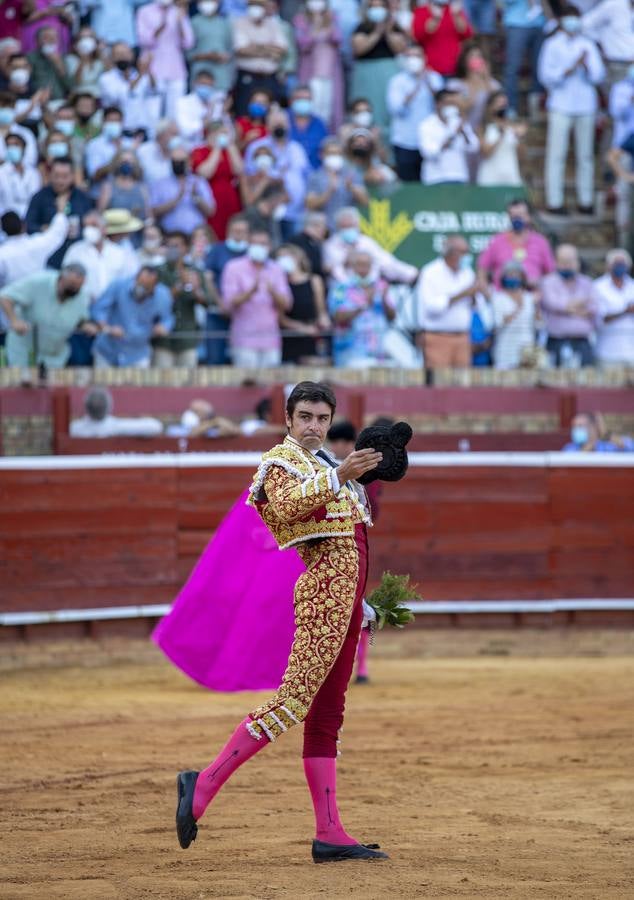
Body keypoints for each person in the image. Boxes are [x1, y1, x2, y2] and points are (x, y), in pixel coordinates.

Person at [174, 380, 388, 864]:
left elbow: (346, 543)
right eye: (306, 417)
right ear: (289, 419)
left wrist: (361, 603)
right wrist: (340, 477)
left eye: (322, 419)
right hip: (319, 602)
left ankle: (330, 833)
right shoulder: (279, 465)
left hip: (343, 603)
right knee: (291, 704)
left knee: (328, 716)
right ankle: (201, 784)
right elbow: (291, 508)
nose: (314, 427)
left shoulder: (329, 467)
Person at [538, 6, 605, 216]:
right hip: (560, 103)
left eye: (576, 18)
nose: (573, 22)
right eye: (569, 18)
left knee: (585, 154)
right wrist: (568, 69)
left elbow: (599, 76)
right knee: (556, 153)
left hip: (585, 104)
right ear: (561, 20)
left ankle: (585, 200)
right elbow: (545, 76)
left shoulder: (588, 44)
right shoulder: (552, 44)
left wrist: (585, 66)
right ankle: (554, 201)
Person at [0, 263, 95, 368]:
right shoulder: (39, 282)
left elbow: (80, 321)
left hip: (54, 357)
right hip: (24, 352)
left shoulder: (81, 295)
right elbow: (5, 297)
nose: (74, 289)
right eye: (72, 284)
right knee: (19, 383)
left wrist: (86, 327)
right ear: (62, 277)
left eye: (78, 286)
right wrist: (14, 320)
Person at [220, 227, 292, 366]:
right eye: (255, 243)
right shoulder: (233, 267)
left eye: (263, 243)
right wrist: (250, 293)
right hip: (244, 338)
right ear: (248, 244)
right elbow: (228, 303)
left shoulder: (276, 268)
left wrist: (273, 293)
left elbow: (287, 304)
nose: (259, 247)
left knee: (270, 385)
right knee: (247, 383)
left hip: (271, 339)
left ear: (270, 246)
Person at [244, 107, 311, 239]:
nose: (279, 127)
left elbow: (306, 176)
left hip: (295, 213)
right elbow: (249, 177)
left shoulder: (296, 148)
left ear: (289, 125)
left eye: (282, 124)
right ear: (268, 126)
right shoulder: (257, 148)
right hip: (266, 213)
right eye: (275, 124)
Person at [91, 266, 174, 368]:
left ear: (154, 286)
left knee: (136, 384)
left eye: (146, 286)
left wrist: (163, 326)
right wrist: (108, 328)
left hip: (138, 353)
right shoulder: (119, 285)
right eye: (139, 283)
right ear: (135, 278)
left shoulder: (163, 295)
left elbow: (167, 319)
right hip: (108, 350)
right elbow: (99, 309)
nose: (141, 288)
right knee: (102, 383)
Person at [416, 234, 479, 368]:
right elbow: (431, 307)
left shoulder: (467, 272)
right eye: (463, 252)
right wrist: (462, 295)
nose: (467, 256)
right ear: (450, 253)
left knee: (463, 385)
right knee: (439, 384)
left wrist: (475, 296)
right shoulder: (431, 272)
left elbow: (475, 306)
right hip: (437, 338)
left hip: (463, 338)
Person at [350, 0, 407, 145]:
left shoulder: (395, 28)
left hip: (388, 74)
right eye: (373, 7)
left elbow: (400, 48)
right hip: (366, 76)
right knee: (366, 110)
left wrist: (387, 30)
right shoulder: (362, 28)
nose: (377, 10)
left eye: (380, 7)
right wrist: (377, 32)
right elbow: (359, 48)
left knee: (387, 113)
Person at [328, 248, 397, 366]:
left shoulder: (381, 286)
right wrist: (364, 305)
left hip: (379, 351)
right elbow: (337, 316)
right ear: (352, 266)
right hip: (350, 351)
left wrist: (384, 299)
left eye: (367, 265)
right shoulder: (340, 288)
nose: (364, 269)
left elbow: (392, 317)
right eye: (360, 265)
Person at [386, 44, 443, 182]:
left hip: (430, 142)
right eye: (410, 56)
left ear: (424, 58)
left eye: (417, 56)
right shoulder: (397, 81)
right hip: (405, 141)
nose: (413, 60)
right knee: (408, 183)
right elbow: (395, 109)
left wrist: (427, 83)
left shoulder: (434, 78)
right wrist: (416, 86)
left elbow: (442, 106)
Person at [25, 156, 93, 269]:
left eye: (65, 176)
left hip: (77, 255)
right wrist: (45, 229)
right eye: (57, 176)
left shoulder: (82, 198)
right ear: (50, 175)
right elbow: (28, 225)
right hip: (48, 257)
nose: (60, 181)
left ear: (72, 176)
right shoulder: (39, 197)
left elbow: (91, 223)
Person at [152, 231, 209, 368]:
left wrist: (196, 290)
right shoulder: (157, 271)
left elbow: (207, 302)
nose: (173, 249)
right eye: (170, 246)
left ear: (186, 248)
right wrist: (180, 286)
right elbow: (157, 302)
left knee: (189, 385)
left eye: (177, 245)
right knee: (162, 384)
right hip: (163, 339)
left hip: (187, 338)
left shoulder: (195, 270)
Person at [324, 206, 418, 284]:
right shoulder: (331, 245)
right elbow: (335, 270)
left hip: (370, 286)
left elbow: (386, 262)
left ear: (357, 226)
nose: (348, 230)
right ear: (338, 227)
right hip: (342, 290)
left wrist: (412, 274)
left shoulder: (366, 242)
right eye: (345, 227)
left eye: (351, 226)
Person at [540, 243, 599, 366]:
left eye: (570, 261)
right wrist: (582, 303)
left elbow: (594, 308)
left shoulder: (587, 282)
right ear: (556, 262)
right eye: (563, 261)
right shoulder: (548, 282)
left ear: (578, 262)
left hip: (582, 343)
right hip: (556, 342)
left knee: (586, 383)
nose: (567, 265)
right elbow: (553, 304)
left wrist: (566, 309)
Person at [477, 198, 555, 289]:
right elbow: (482, 269)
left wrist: (539, 287)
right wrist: (489, 296)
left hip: (533, 297)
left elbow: (551, 274)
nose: (516, 220)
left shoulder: (541, 242)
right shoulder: (497, 241)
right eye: (513, 216)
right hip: (502, 298)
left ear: (529, 217)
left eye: (520, 216)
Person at [136, 0, 194, 119]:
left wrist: (180, 24)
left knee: (175, 111)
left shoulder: (178, 12)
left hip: (176, 68)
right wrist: (161, 25)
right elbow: (143, 40)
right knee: (152, 109)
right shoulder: (144, 11)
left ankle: (172, 137)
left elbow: (189, 43)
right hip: (153, 67)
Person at [293, 1, 345, 132]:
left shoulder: (333, 18)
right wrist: (315, 27)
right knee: (313, 106)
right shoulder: (301, 20)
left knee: (329, 109)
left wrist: (327, 22)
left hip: (330, 74)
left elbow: (338, 39)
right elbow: (303, 45)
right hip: (311, 73)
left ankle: (327, 137)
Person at [62, 210, 135, 303]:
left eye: (94, 225)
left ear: (104, 229)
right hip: (83, 305)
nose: (88, 230)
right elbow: (66, 278)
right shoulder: (75, 251)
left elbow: (129, 280)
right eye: (86, 226)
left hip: (113, 307)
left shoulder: (119, 253)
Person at [231, 0, 289, 115]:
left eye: (259, 5)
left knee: (272, 111)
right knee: (244, 111)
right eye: (253, 5)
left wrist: (254, 46)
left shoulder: (273, 24)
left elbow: (282, 49)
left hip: (269, 77)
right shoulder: (240, 23)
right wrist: (268, 49)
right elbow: (241, 50)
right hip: (248, 76)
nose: (256, 9)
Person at [275, 243, 330, 362]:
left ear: (297, 257)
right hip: (289, 337)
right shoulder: (279, 284)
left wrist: (323, 321)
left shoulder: (314, 281)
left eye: (286, 256)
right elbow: (280, 318)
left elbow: (321, 310)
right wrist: (301, 328)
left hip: (312, 334)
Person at [191, 119, 243, 241]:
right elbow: (205, 173)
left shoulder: (229, 150)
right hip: (211, 196)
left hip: (230, 197)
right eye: (221, 133)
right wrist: (216, 148)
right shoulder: (200, 151)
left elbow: (239, 170)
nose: (223, 136)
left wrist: (230, 146)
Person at [149, 146, 216, 236]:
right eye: (174, 161)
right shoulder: (160, 184)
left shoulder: (199, 182)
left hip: (195, 236)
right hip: (170, 236)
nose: (177, 164)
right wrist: (177, 199)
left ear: (189, 161)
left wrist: (196, 197)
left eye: (181, 161)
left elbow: (211, 212)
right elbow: (153, 211)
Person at [305, 137, 368, 231]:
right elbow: (310, 205)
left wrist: (351, 187)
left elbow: (365, 202)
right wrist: (329, 192)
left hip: (347, 228)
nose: (335, 157)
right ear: (321, 155)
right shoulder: (315, 177)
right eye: (331, 153)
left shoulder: (351, 173)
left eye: (338, 154)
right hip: (324, 230)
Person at [418, 88, 479, 185]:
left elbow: (474, 146)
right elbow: (429, 152)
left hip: (458, 175)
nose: (450, 106)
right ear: (437, 104)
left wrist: (463, 132)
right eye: (447, 103)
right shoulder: (427, 125)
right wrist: (453, 135)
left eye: (453, 103)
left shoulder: (458, 121)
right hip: (435, 178)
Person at [0, 206, 68, 288]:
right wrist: (60, 212)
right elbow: (57, 233)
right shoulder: (38, 243)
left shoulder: (2, 254)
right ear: (23, 225)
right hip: (35, 294)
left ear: (3, 230)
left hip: (10, 297)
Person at [97, 41, 157, 134]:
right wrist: (140, 75)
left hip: (142, 130)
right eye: (119, 54)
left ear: (132, 55)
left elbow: (153, 91)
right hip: (119, 132)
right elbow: (119, 97)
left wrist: (148, 69)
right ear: (112, 57)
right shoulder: (106, 78)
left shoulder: (140, 75)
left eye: (125, 53)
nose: (123, 57)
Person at [502, 0, 546, 120]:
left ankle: (535, 108)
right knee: (513, 68)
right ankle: (511, 108)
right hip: (516, 23)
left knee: (540, 69)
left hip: (540, 23)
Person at [490, 260, 537, 368]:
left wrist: (537, 308)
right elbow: (498, 324)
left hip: (527, 349)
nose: (513, 277)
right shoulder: (498, 298)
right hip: (505, 348)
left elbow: (538, 325)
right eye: (510, 274)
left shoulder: (529, 298)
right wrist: (518, 308)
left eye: (516, 275)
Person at [593, 249, 634, 367]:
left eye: (623, 263)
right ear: (609, 265)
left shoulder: (633, 285)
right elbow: (600, 317)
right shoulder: (598, 286)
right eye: (617, 263)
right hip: (607, 349)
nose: (620, 266)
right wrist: (625, 311)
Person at [69, 386, 164, 438]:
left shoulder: (75, 429)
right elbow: (156, 426)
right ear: (109, 407)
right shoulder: (115, 427)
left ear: (86, 407)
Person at [412, 0, 474, 78]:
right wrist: (435, 18)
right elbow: (419, 36)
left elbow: (467, 33)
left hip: (455, 68)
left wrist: (457, 16)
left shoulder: (454, 10)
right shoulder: (421, 11)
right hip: (431, 71)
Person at [476, 90, 525, 187]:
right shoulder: (483, 127)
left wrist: (520, 138)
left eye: (504, 104)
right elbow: (486, 153)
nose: (502, 107)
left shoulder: (513, 126)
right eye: (499, 103)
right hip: (490, 177)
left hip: (510, 176)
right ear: (490, 106)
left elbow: (522, 156)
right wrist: (501, 135)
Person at [449, 42, 500, 132]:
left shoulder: (493, 84)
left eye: (479, 56)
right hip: (462, 133)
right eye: (472, 56)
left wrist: (486, 78)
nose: (477, 59)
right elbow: (465, 107)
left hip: (484, 132)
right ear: (464, 61)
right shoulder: (455, 85)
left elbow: (496, 107)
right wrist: (474, 79)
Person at [188, 0, 234, 90]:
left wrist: (223, 57)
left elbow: (230, 50)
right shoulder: (193, 22)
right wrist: (206, 56)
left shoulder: (224, 23)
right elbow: (188, 53)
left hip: (221, 76)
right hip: (199, 75)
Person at [175, 68, 226, 147]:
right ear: (195, 83)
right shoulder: (183, 102)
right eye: (203, 84)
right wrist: (204, 122)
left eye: (209, 85)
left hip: (210, 146)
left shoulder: (216, 103)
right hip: (187, 146)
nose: (206, 87)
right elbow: (185, 130)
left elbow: (218, 128)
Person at [0, 131, 41, 218]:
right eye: (9, 145)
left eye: (16, 145)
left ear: (23, 147)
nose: (12, 148)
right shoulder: (1, 172)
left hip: (29, 219)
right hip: (6, 221)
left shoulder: (33, 173)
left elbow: (36, 199)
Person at [288, 84, 329, 170]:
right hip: (288, 173)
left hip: (314, 173)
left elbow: (325, 150)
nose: (303, 102)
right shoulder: (283, 120)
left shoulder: (319, 124)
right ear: (291, 101)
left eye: (307, 99)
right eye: (300, 99)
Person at [27, 25, 73, 99]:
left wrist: (59, 64)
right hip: (35, 99)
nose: (50, 40)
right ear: (37, 41)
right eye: (46, 37)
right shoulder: (29, 58)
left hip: (58, 100)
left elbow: (70, 86)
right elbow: (26, 82)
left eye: (54, 37)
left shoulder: (64, 58)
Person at [166, 398, 241, 437]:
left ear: (205, 415)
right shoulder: (176, 429)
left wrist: (221, 422)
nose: (190, 414)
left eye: (195, 411)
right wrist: (212, 423)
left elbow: (238, 431)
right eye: (191, 410)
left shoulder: (211, 429)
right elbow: (190, 434)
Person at [289, 210, 327, 280]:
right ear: (314, 226)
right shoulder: (298, 241)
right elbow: (308, 264)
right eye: (323, 227)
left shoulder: (315, 242)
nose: (324, 231)